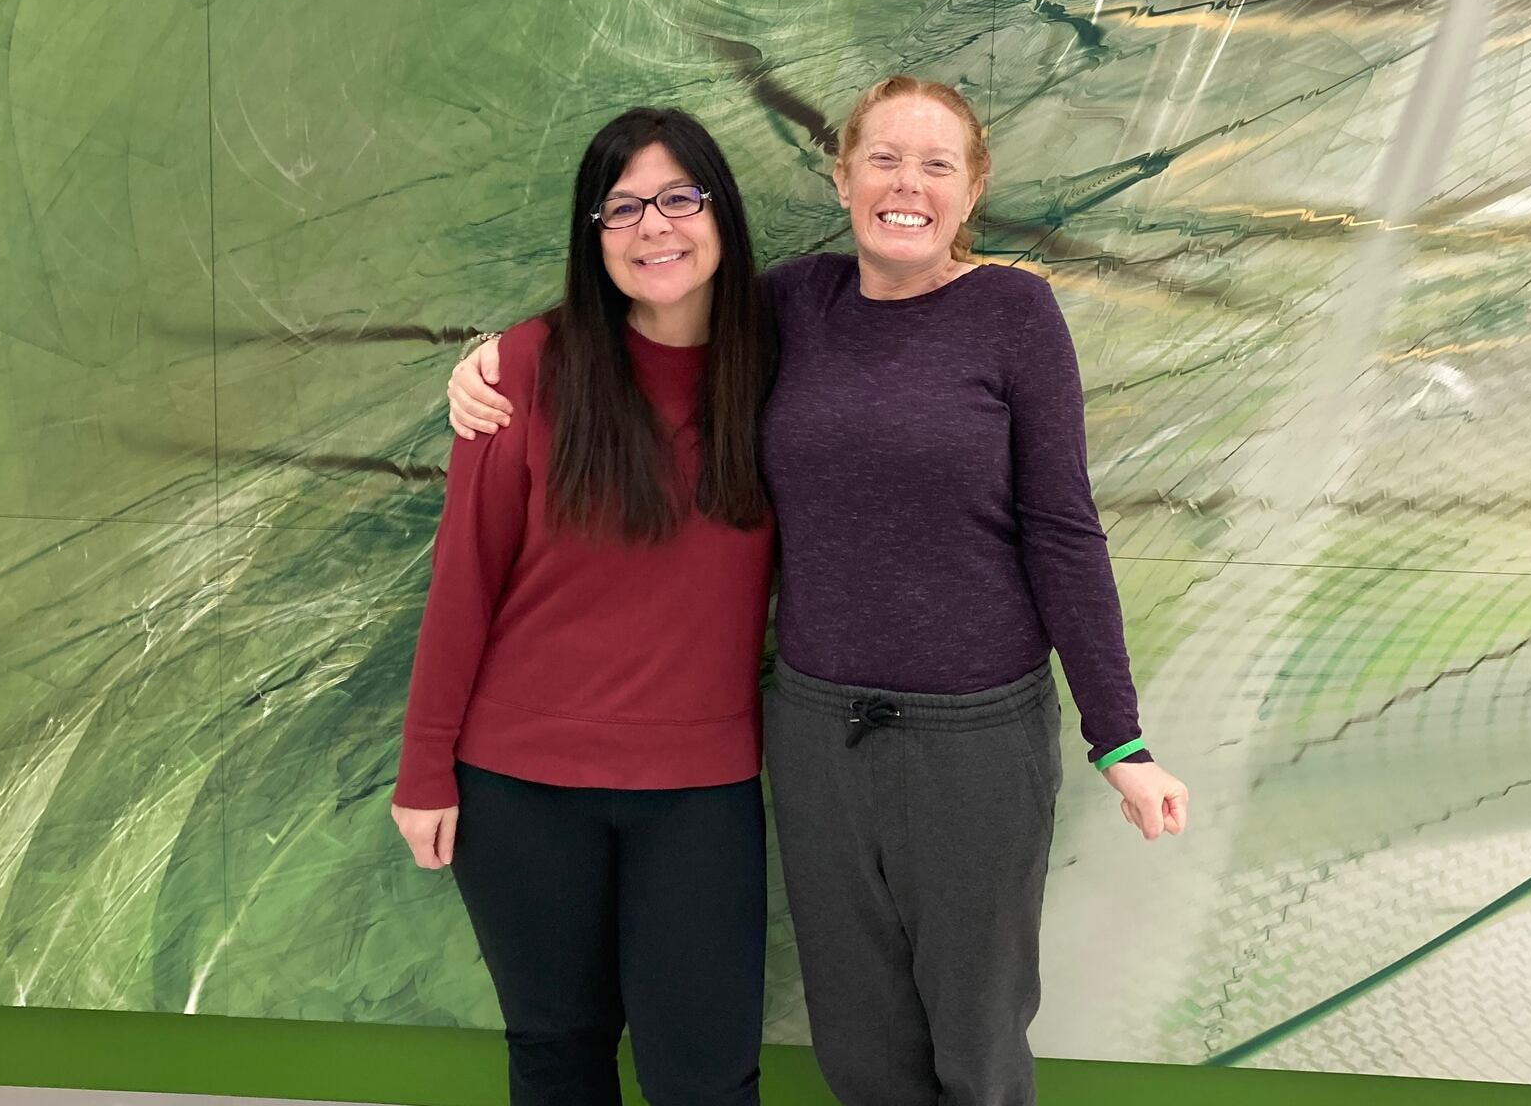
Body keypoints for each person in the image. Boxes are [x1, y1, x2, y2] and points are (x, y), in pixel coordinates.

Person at [445, 78, 1190, 1106]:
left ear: (971, 189)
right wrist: (501, 356)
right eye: (882, 158)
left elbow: (1062, 529)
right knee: (859, 1042)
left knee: (974, 1040)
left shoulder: (1014, 312)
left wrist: (1120, 736)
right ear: (840, 178)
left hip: (973, 737)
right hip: (813, 735)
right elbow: (656, 283)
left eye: (936, 164)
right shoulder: (793, 302)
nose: (906, 184)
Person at [391, 107, 777, 1106]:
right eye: (623, 209)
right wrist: (423, 770)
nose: (655, 228)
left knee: (705, 1079)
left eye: (679, 198)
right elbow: (463, 580)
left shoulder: (784, 364)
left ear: (720, 212)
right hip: (519, 791)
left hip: (700, 793)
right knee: (558, 1057)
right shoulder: (521, 369)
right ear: (591, 233)